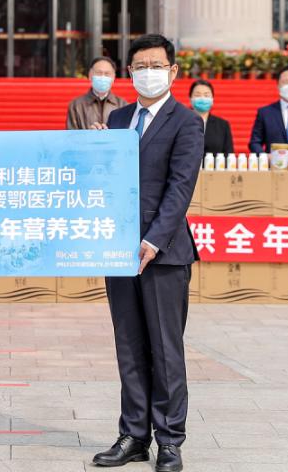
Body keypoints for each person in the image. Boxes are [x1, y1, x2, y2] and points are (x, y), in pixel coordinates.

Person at [95, 34, 203, 472]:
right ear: (129, 72)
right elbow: (104, 179)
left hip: (164, 253)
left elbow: (180, 187)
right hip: (119, 250)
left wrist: (153, 240)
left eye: (156, 65)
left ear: (172, 71)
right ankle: (134, 435)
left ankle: (170, 440)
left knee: (165, 348)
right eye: (140, 66)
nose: (148, 73)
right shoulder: (118, 119)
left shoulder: (186, 122)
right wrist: (95, 151)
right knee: (130, 346)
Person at [66, 56, 127, 129]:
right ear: (90, 75)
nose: (103, 77)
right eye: (99, 73)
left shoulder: (123, 105)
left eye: (107, 73)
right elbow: (72, 134)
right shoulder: (76, 105)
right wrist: (89, 134)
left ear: (113, 77)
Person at [188, 79, 234, 157]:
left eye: (206, 95)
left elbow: (229, 154)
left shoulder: (222, 125)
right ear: (190, 98)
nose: (202, 98)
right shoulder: (181, 122)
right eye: (197, 95)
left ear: (212, 99)